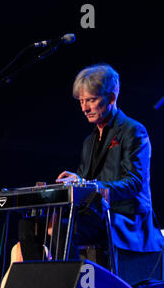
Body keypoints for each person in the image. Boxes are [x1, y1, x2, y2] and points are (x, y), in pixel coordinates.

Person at [17, 64, 164, 271]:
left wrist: (87, 184)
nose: (84, 108)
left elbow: (135, 183)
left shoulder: (134, 130)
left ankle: (67, 287)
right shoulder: (89, 141)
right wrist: (70, 185)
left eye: (91, 100)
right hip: (95, 216)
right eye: (82, 101)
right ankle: (40, 284)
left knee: (63, 228)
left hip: (125, 218)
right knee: (29, 226)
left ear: (111, 98)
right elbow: (85, 184)